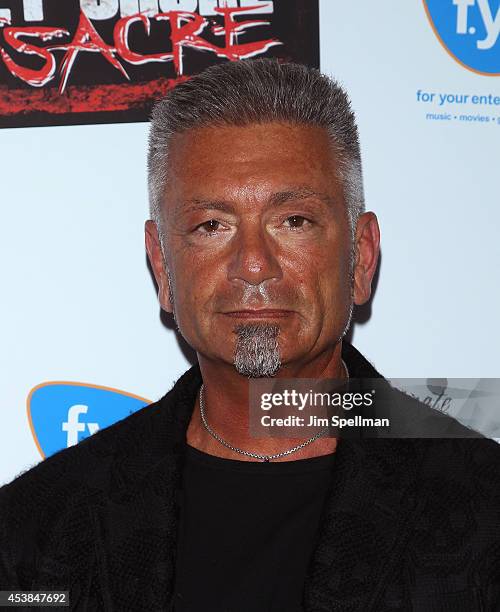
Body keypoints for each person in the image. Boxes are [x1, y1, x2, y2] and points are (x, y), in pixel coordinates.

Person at [1, 59, 499, 612]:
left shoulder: (484, 507)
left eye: (294, 221)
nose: (254, 265)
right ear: (163, 268)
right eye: (212, 225)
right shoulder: (34, 531)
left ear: (360, 257)